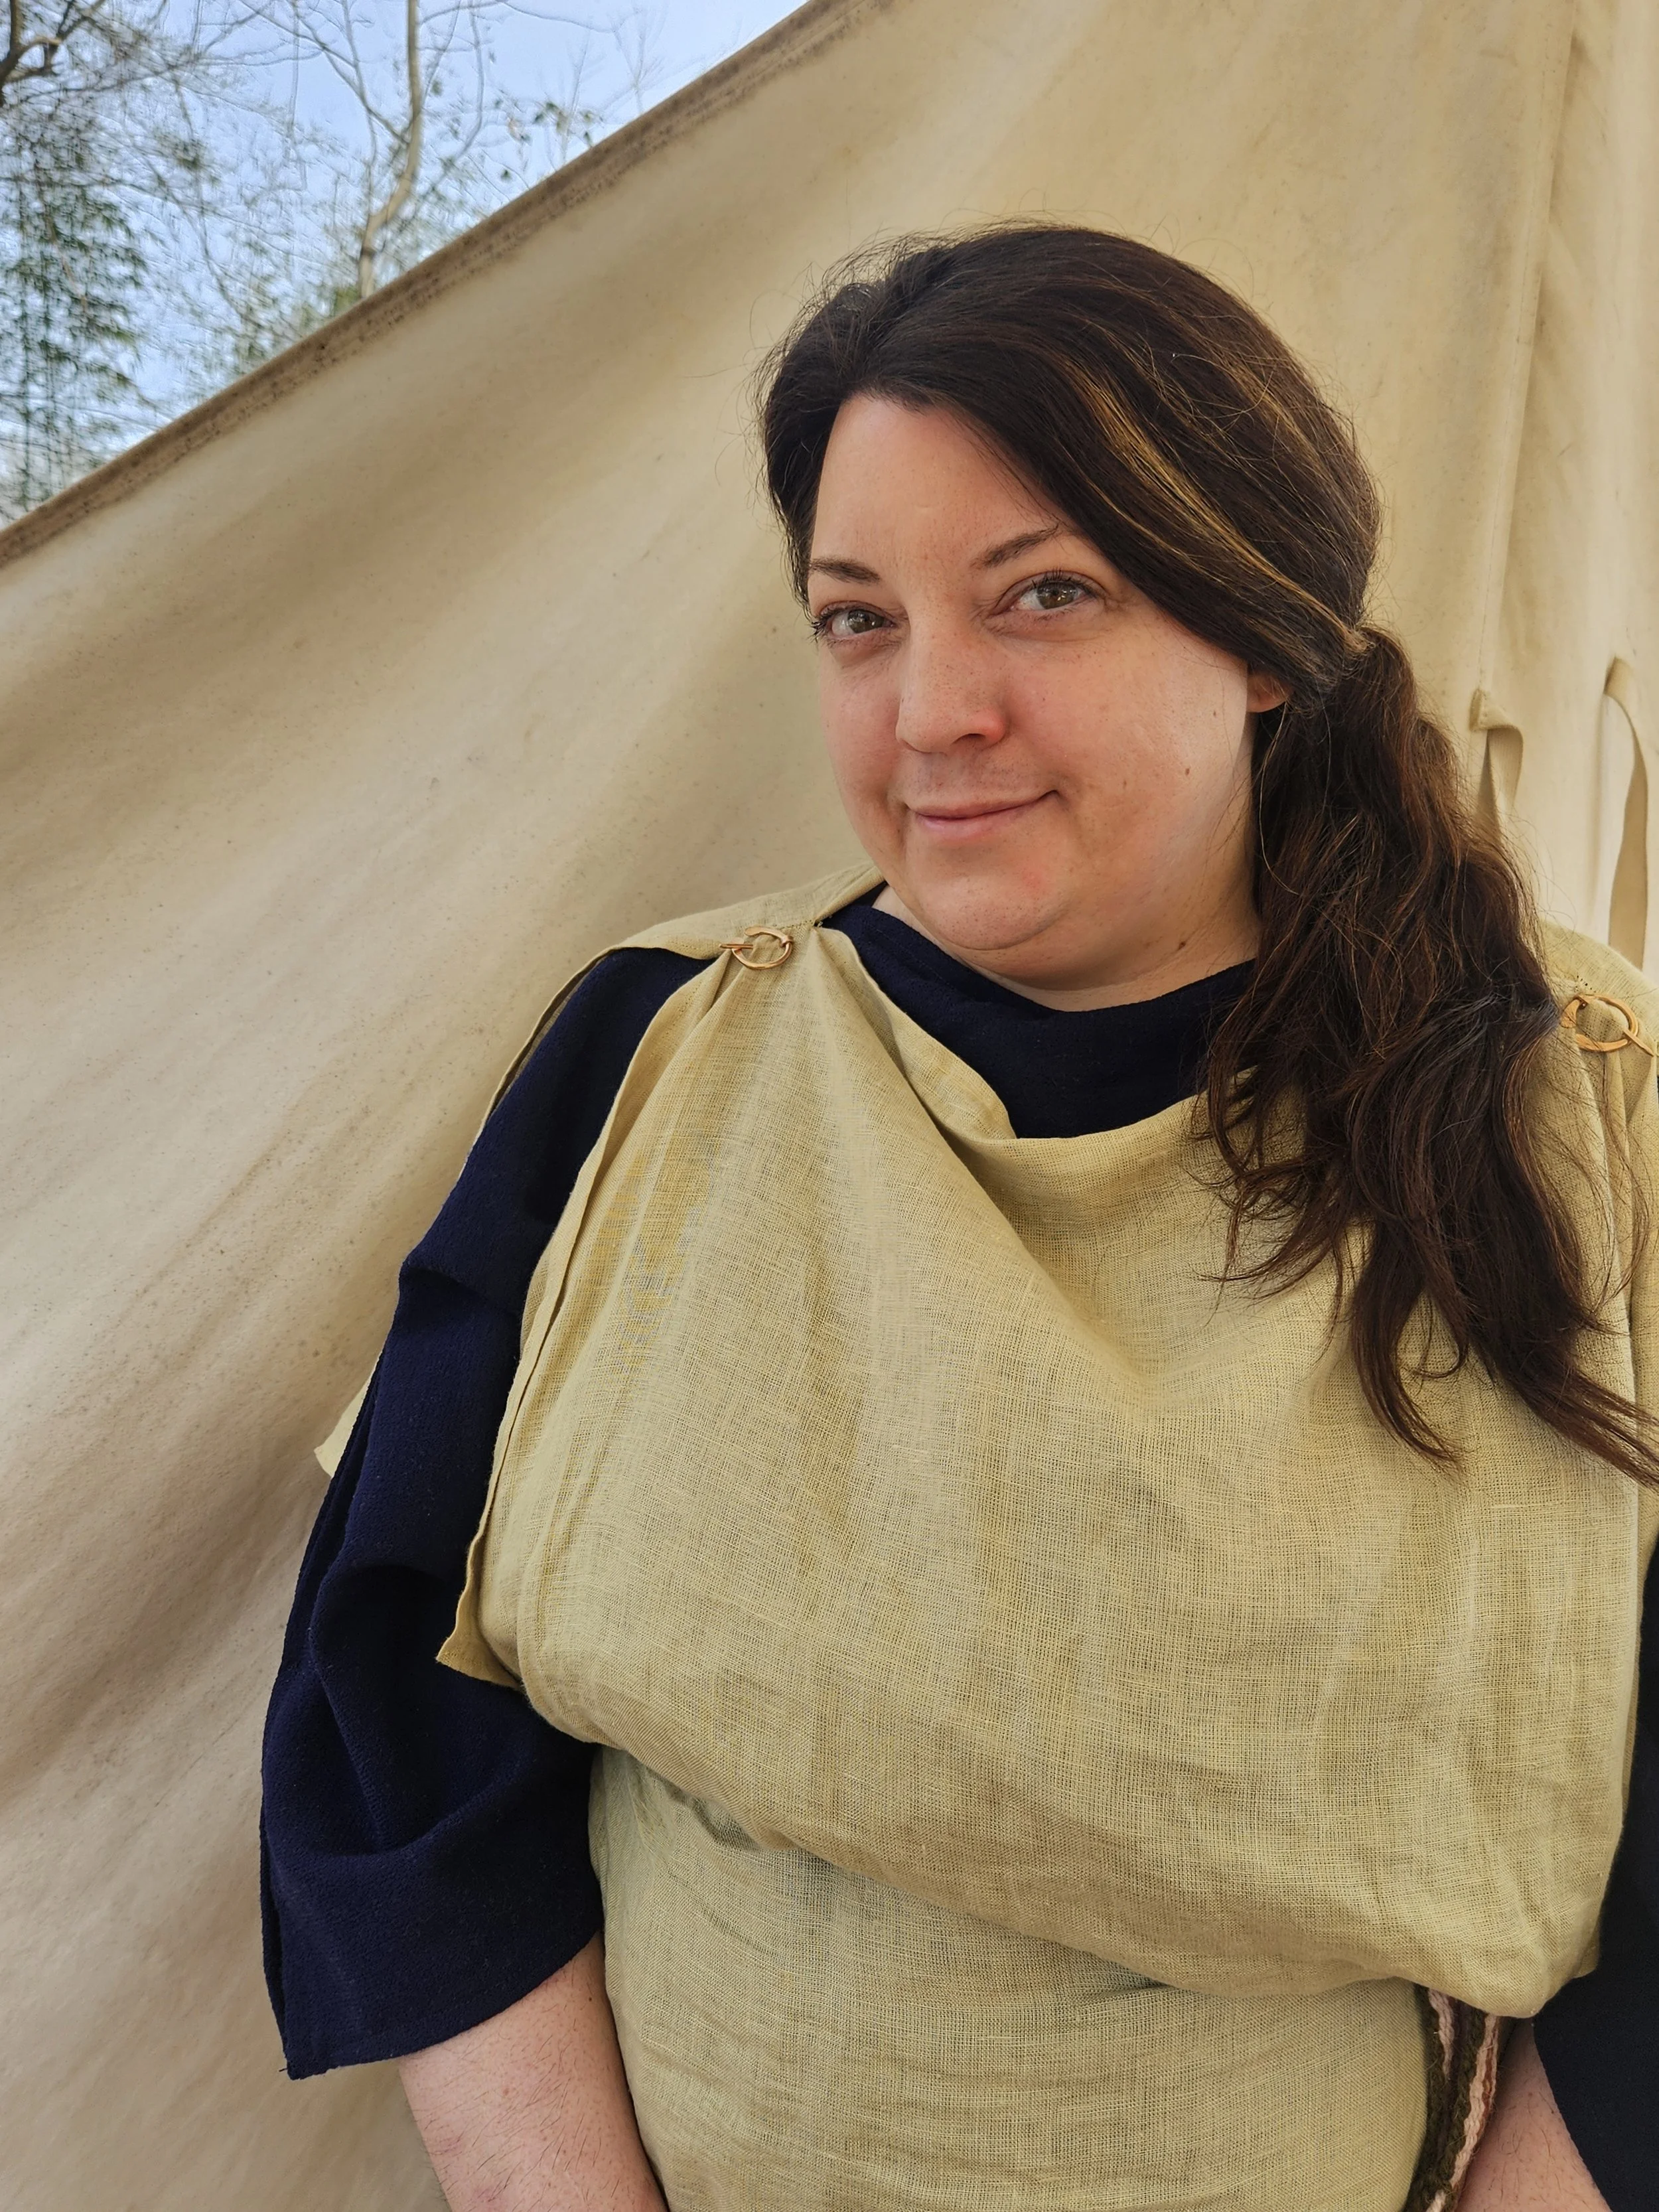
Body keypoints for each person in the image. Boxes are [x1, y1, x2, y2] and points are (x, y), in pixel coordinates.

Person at [261, 226, 1658, 2211]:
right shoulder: (664, 1054)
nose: (932, 709)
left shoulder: (1583, 1107)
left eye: (1046, 596)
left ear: (1265, 631)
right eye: (855, 618)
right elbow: (393, 1687)